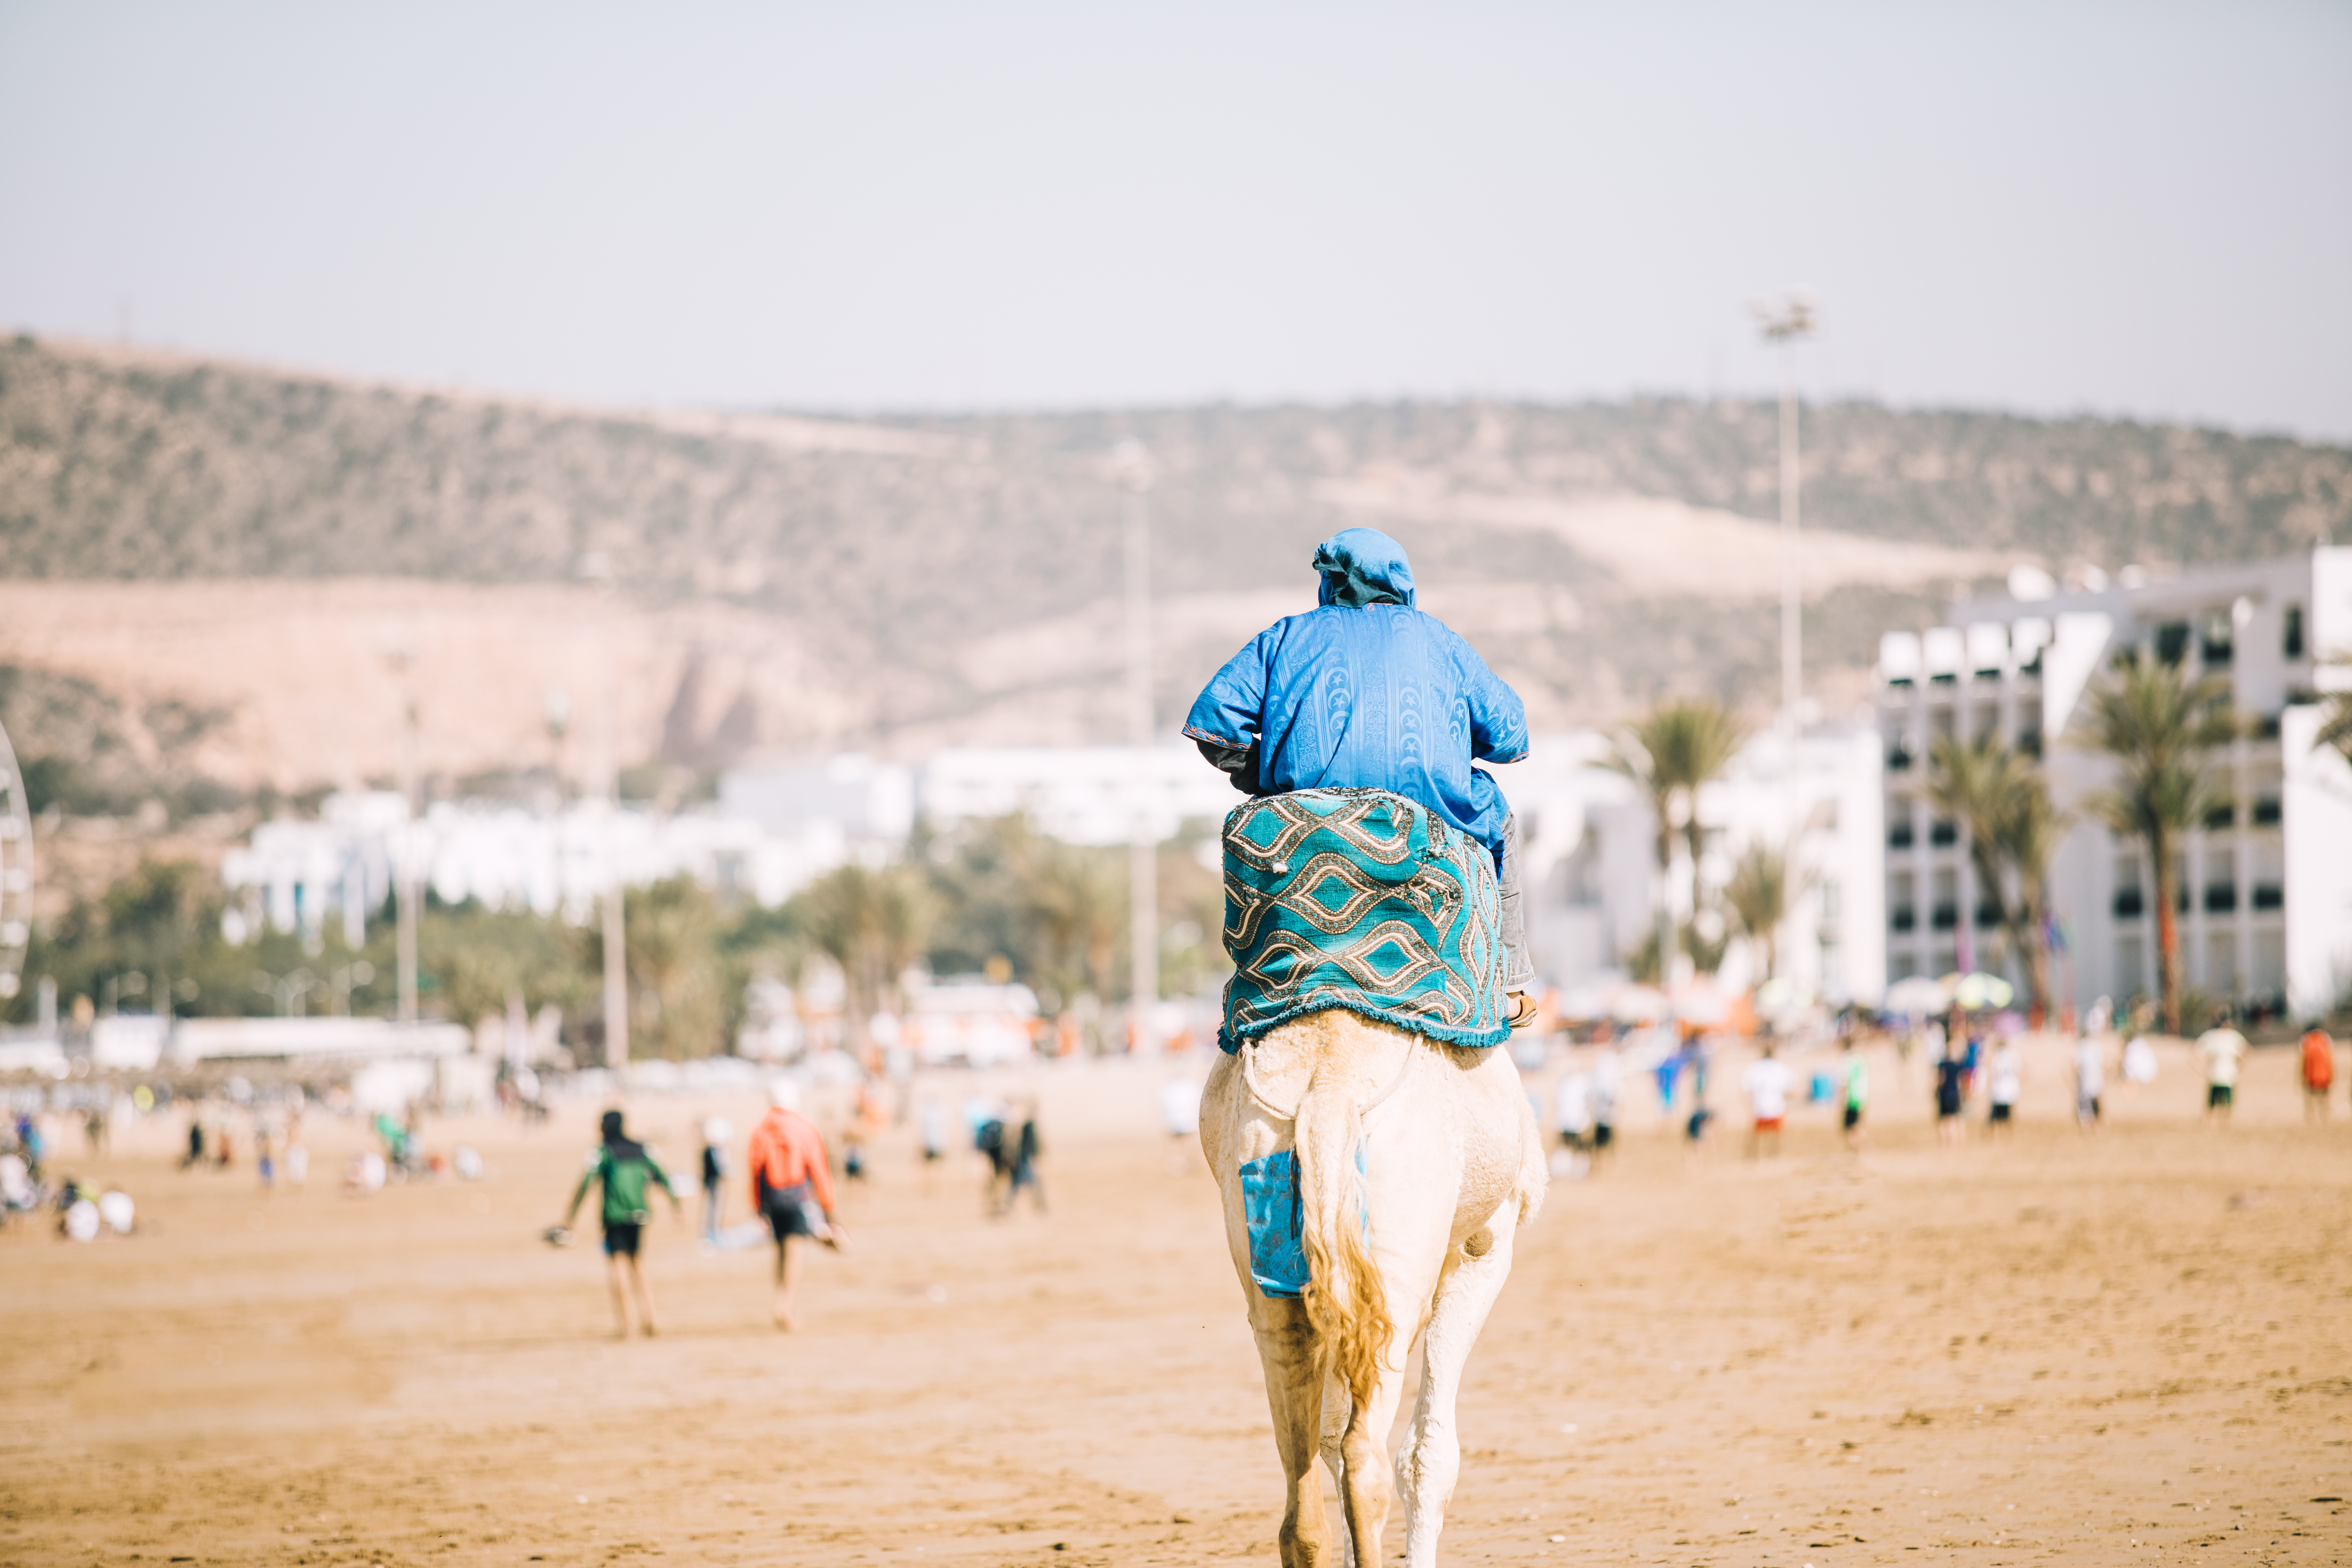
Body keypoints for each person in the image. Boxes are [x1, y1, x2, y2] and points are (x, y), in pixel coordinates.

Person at [1182, 527, 1536, 1026]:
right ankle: (1511, 984)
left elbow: (1214, 727)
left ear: (1328, 582)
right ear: (1402, 584)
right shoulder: (1442, 642)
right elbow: (1511, 739)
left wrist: (1266, 775)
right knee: (1500, 821)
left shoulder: (1284, 636)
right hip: (1431, 810)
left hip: (1308, 810)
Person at [559, 1108, 682, 1339]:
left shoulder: (603, 1152)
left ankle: (626, 1326)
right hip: (640, 1214)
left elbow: (586, 1182)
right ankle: (651, 1317)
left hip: (615, 1215)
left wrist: (570, 1216)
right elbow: (663, 1175)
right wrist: (675, 1204)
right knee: (638, 1263)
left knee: (619, 1267)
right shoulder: (643, 1148)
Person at [746, 1080, 844, 1330]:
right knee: (795, 1253)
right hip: (797, 1197)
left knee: (781, 1252)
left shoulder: (761, 1131)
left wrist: (758, 1208)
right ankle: (785, 1304)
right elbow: (819, 1170)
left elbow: (755, 1172)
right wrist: (829, 1209)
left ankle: (785, 1303)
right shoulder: (805, 1129)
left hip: (771, 1199)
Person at [1742, 1042, 1793, 1159]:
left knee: (1759, 1135)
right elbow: (1790, 1088)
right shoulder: (1780, 1068)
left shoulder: (1754, 1068)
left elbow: (1747, 1090)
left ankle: (1759, 1158)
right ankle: (1776, 1157)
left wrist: (1749, 1108)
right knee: (1778, 1134)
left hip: (1759, 1107)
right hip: (1777, 1106)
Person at [2198, 1017, 2248, 1127]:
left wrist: (2202, 1068)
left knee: (2212, 1104)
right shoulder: (2233, 1037)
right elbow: (2246, 1052)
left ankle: (2211, 1124)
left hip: (2217, 1075)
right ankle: (2225, 1124)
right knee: (2225, 1104)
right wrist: (2240, 1067)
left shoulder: (2213, 1037)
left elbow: (2197, 1053)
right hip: (2226, 1075)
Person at [698, 1117, 732, 1242]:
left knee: (716, 1209)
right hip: (713, 1183)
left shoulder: (713, 1150)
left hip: (715, 1183)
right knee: (712, 1209)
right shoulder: (711, 1151)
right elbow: (717, 1169)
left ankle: (715, 1232)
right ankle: (710, 1234)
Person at [1986, 1036, 2023, 1140]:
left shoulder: (1997, 1056)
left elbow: (1993, 1073)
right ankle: (2011, 1136)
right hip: (2012, 1090)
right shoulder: (2014, 1055)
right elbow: (2018, 1072)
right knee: (2010, 1116)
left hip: (1999, 1090)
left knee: (1994, 1118)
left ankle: (1993, 1138)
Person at [1934, 1035, 1968, 1147]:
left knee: (1945, 1120)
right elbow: (1961, 1081)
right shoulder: (1957, 1065)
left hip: (1945, 1094)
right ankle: (1960, 1141)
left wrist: (1936, 1091)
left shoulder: (1942, 1065)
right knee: (1957, 1118)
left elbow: (1941, 1079)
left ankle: (1947, 1143)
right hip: (1955, 1094)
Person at [1838, 1034, 1869, 1150]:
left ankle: (1860, 1150)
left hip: (1851, 1096)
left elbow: (1844, 1081)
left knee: (1850, 1126)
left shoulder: (1847, 1060)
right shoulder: (1861, 1058)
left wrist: (1841, 1097)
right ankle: (1859, 1150)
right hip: (1862, 1095)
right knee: (1856, 1124)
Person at [2072, 1030, 2106, 1131]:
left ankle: (2088, 1128)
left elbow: (2073, 1066)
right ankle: (2100, 1128)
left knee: (2086, 1109)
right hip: (2096, 1082)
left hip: (2086, 1084)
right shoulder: (2095, 1047)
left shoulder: (2081, 1048)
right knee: (2099, 1106)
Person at [2301, 1026, 2336, 1123]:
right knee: (2324, 1099)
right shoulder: (2325, 1041)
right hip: (2325, 1075)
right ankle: (2325, 1117)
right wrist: (2332, 1075)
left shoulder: (2307, 1042)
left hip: (2312, 1075)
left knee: (2311, 1098)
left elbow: (2304, 1062)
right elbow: (2330, 1061)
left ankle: (2311, 1118)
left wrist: (2302, 1077)